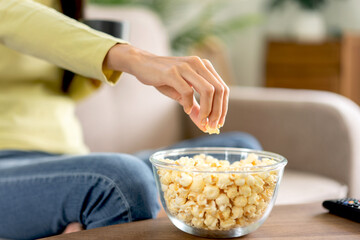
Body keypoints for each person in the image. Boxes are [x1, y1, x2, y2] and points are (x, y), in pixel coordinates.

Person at [0, 0, 261, 239]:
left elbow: (59, 90)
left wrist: (90, 73)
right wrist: (135, 59)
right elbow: (14, 15)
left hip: (65, 164)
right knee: (120, 180)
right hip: (7, 166)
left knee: (241, 155)